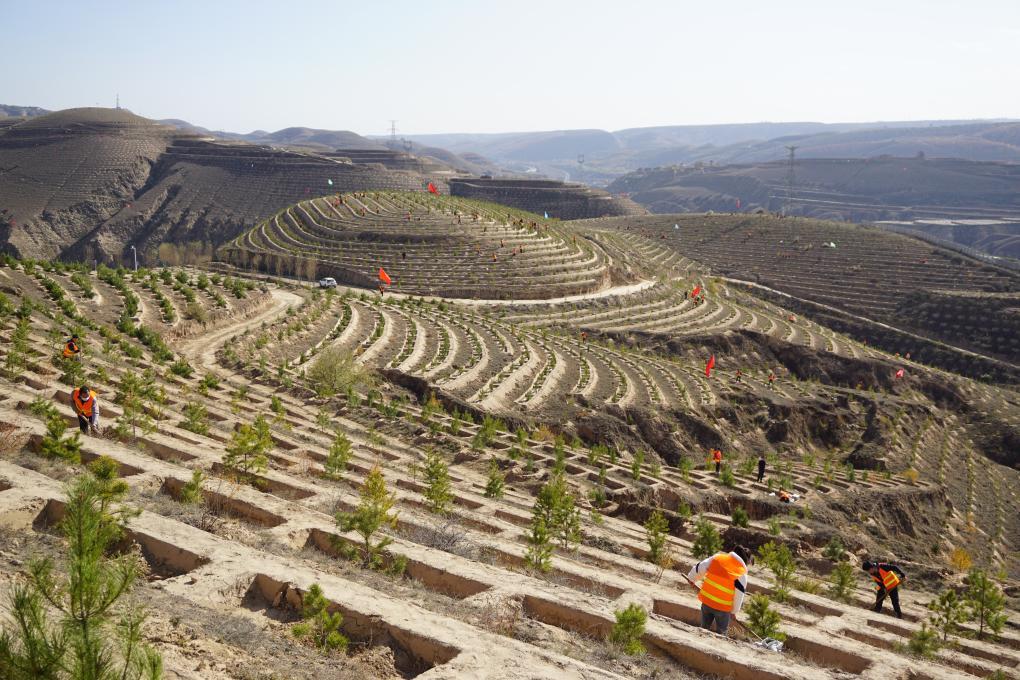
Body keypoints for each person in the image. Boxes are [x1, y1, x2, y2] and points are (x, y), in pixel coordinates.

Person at [688, 546, 752, 637]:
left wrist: (692, 578)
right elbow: (739, 595)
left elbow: (700, 567)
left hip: (707, 601)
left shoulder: (718, 557)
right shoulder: (741, 572)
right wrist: (734, 611)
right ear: (746, 560)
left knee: (703, 629)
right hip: (723, 608)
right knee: (721, 634)